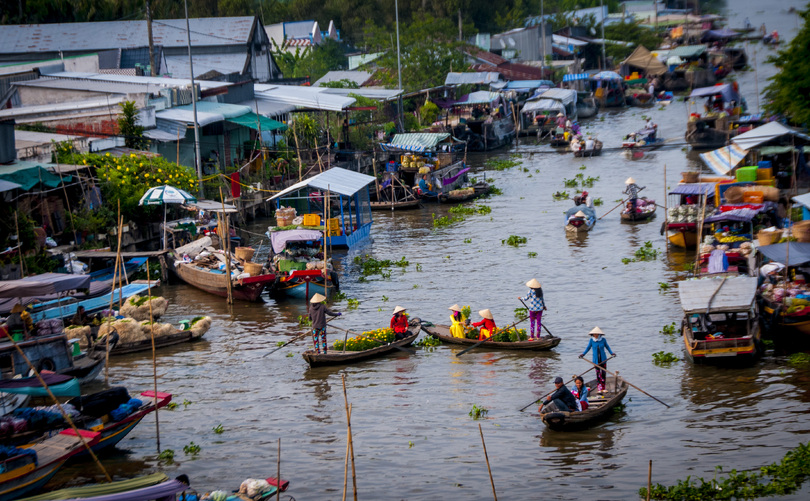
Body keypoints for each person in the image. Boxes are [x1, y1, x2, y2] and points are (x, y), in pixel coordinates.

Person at [579, 326, 616, 393]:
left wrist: (612, 353)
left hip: (603, 360)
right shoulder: (591, 340)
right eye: (594, 334)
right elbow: (588, 348)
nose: (595, 335)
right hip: (596, 361)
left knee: (603, 374)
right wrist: (583, 354)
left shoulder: (603, 340)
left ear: (599, 334)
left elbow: (607, 347)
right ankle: (599, 388)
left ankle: (603, 388)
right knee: (598, 374)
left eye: (596, 334)